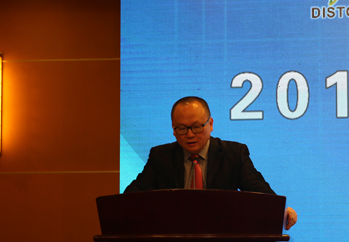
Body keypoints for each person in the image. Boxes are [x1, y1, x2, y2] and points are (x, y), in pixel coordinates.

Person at [124, 96, 297, 229]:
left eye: (196, 127)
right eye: (182, 128)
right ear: (173, 129)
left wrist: (281, 211)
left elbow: (260, 193)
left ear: (210, 124)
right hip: (174, 240)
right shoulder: (161, 156)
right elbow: (133, 197)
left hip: (222, 241)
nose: (190, 135)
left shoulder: (233, 154)